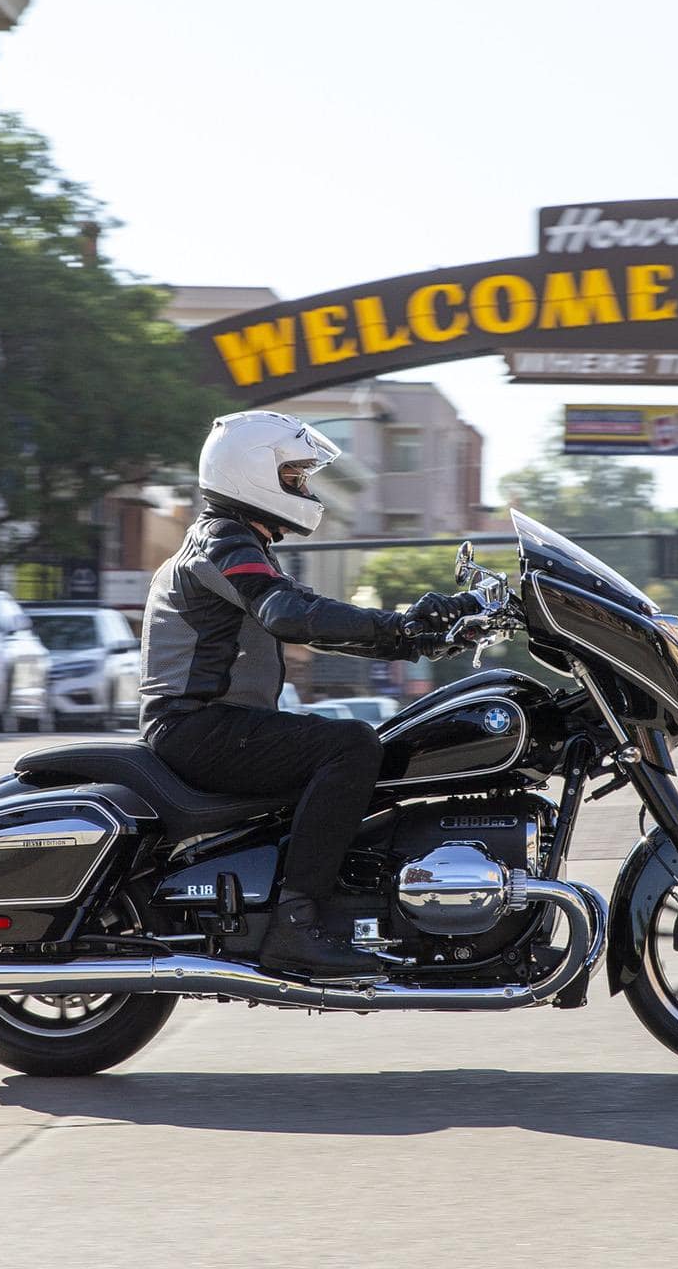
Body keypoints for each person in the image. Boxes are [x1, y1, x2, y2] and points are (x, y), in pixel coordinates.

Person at [139, 410, 480, 977]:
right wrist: (401, 627)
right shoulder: (223, 541)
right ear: (250, 472)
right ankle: (295, 926)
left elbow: (312, 619)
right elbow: (291, 615)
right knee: (351, 745)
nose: (303, 487)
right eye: (293, 475)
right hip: (197, 727)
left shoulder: (240, 544)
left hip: (208, 726)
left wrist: (415, 637)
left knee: (386, 747)